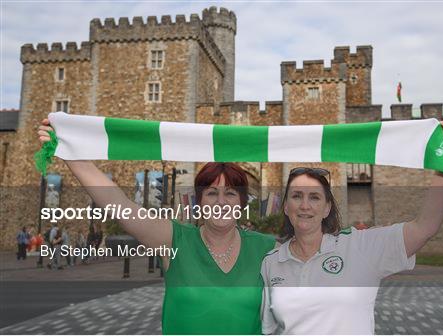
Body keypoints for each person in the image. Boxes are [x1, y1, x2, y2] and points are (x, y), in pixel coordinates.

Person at [38, 119, 276, 334]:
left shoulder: (266, 248)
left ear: (243, 202)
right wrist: (67, 150)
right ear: (199, 201)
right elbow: (117, 203)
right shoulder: (173, 239)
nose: (221, 202)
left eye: (231, 193)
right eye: (211, 193)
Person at [261, 122, 443, 334]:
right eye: (297, 196)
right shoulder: (272, 263)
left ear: (327, 208)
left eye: (315, 197)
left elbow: (425, 227)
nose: (305, 205)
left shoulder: (359, 247)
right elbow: (270, 330)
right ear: (285, 206)